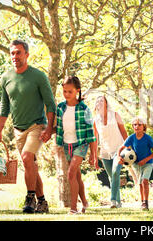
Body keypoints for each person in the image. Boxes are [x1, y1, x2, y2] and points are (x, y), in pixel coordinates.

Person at [0, 39, 56, 214]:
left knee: (28, 158)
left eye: (18, 52)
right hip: (18, 129)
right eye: (12, 53)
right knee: (30, 165)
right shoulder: (6, 78)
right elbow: (4, 108)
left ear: (26, 54)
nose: (15, 56)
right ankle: (42, 202)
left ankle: (30, 198)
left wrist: (49, 128)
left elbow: (50, 104)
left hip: (37, 125)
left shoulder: (38, 76)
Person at [55, 76, 98, 214]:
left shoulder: (84, 109)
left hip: (81, 144)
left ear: (77, 91)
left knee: (71, 173)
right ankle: (85, 202)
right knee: (76, 176)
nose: (67, 94)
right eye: (64, 91)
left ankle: (73, 209)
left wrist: (93, 154)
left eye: (70, 92)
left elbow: (91, 134)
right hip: (67, 145)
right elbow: (58, 128)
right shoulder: (60, 107)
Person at [93, 96, 128, 208]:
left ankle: (113, 201)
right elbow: (95, 139)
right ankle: (119, 203)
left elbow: (124, 132)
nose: (99, 102)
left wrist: (129, 148)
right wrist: (94, 155)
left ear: (106, 103)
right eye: (97, 100)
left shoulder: (115, 115)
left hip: (119, 150)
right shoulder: (95, 120)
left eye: (102, 100)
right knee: (111, 177)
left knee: (115, 172)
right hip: (105, 152)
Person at [118, 117, 153, 211]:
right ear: (133, 126)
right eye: (135, 125)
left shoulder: (148, 138)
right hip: (136, 164)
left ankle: (146, 203)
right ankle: (142, 202)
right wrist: (119, 157)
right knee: (140, 183)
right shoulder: (131, 138)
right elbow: (121, 148)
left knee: (145, 181)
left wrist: (145, 160)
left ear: (143, 126)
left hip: (148, 163)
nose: (137, 126)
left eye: (139, 124)